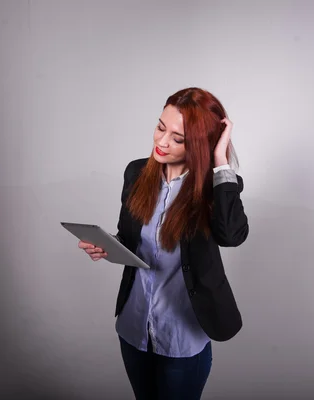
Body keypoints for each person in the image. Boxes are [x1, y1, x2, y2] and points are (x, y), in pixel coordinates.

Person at [78, 87, 249, 400]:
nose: (161, 141)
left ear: (197, 145)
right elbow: (128, 238)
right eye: (160, 127)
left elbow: (232, 235)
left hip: (183, 336)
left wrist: (220, 158)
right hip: (134, 327)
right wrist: (107, 247)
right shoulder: (136, 173)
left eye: (178, 138)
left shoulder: (217, 188)